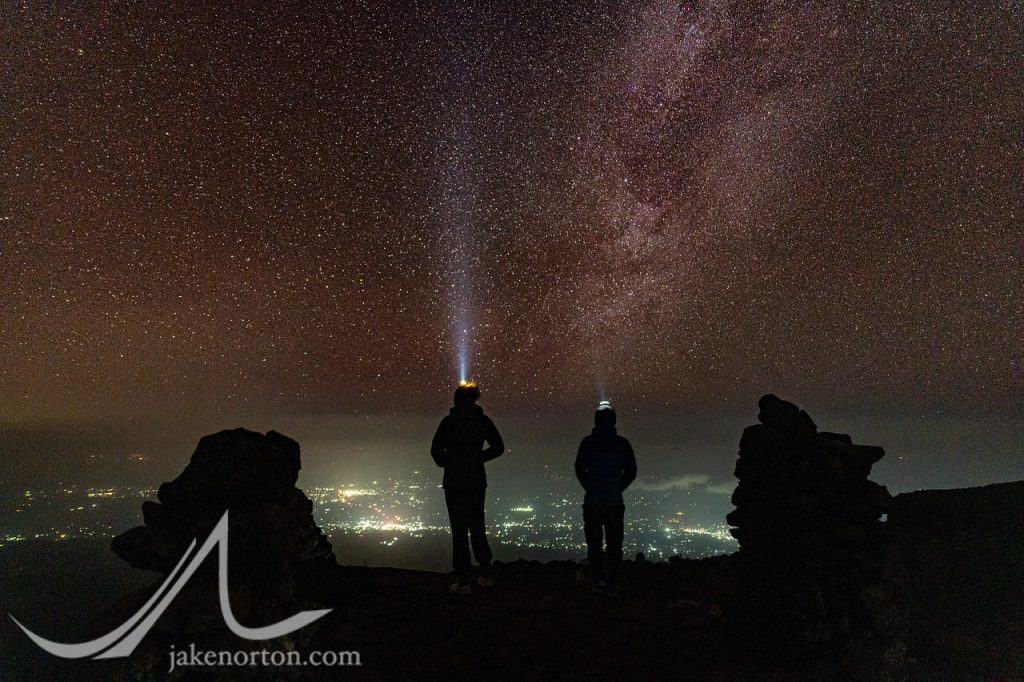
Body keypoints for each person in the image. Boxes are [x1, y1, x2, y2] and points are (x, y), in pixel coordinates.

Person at [431, 381, 505, 594]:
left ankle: (463, 580)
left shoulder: (448, 422)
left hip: (454, 481)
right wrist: (478, 459)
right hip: (475, 480)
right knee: (477, 527)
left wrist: (448, 462)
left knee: (459, 530)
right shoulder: (482, 422)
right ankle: (485, 573)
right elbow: (498, 447)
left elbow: (436, 450)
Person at [574, 400, 637, 593]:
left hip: (592, 501)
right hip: (614, 502)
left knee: (594, 544)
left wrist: (590, 487)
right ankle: (614, 580)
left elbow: (579, 468)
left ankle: (597, 580)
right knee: (614, 544)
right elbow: (631, 471)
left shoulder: (587, 442)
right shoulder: (622, 443)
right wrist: (617, 488)